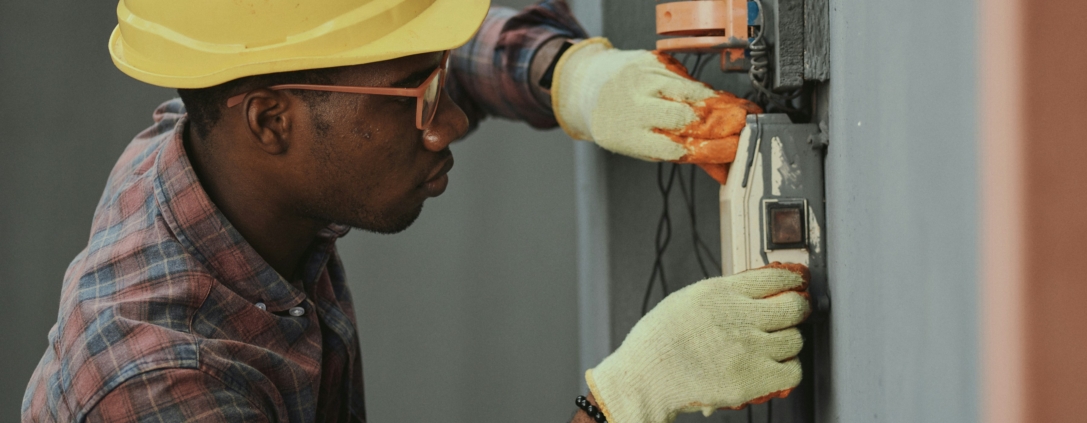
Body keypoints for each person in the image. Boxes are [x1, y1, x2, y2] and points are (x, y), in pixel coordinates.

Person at [21, 0, 811, 422]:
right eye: (417, 97)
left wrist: (567, 74)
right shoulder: (161, 385)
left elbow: (382, 60)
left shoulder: (219, 139)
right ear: (270, 121)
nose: (448, 121)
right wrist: (620, 405)